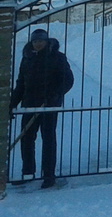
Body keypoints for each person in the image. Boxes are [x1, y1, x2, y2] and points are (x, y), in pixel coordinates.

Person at [10, 28, 74, 188]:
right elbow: (20, 84)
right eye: (35, 41)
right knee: (27, 139)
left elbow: (68, 79)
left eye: (41, 41)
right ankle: (28, 172)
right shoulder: (27, 58)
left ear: (46, 41)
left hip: (48, 105)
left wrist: (55, 94)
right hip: (29, 104)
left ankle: (49, 176)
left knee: (48, 139)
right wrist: (12, 104)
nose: (38, 44)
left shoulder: (57, 57)